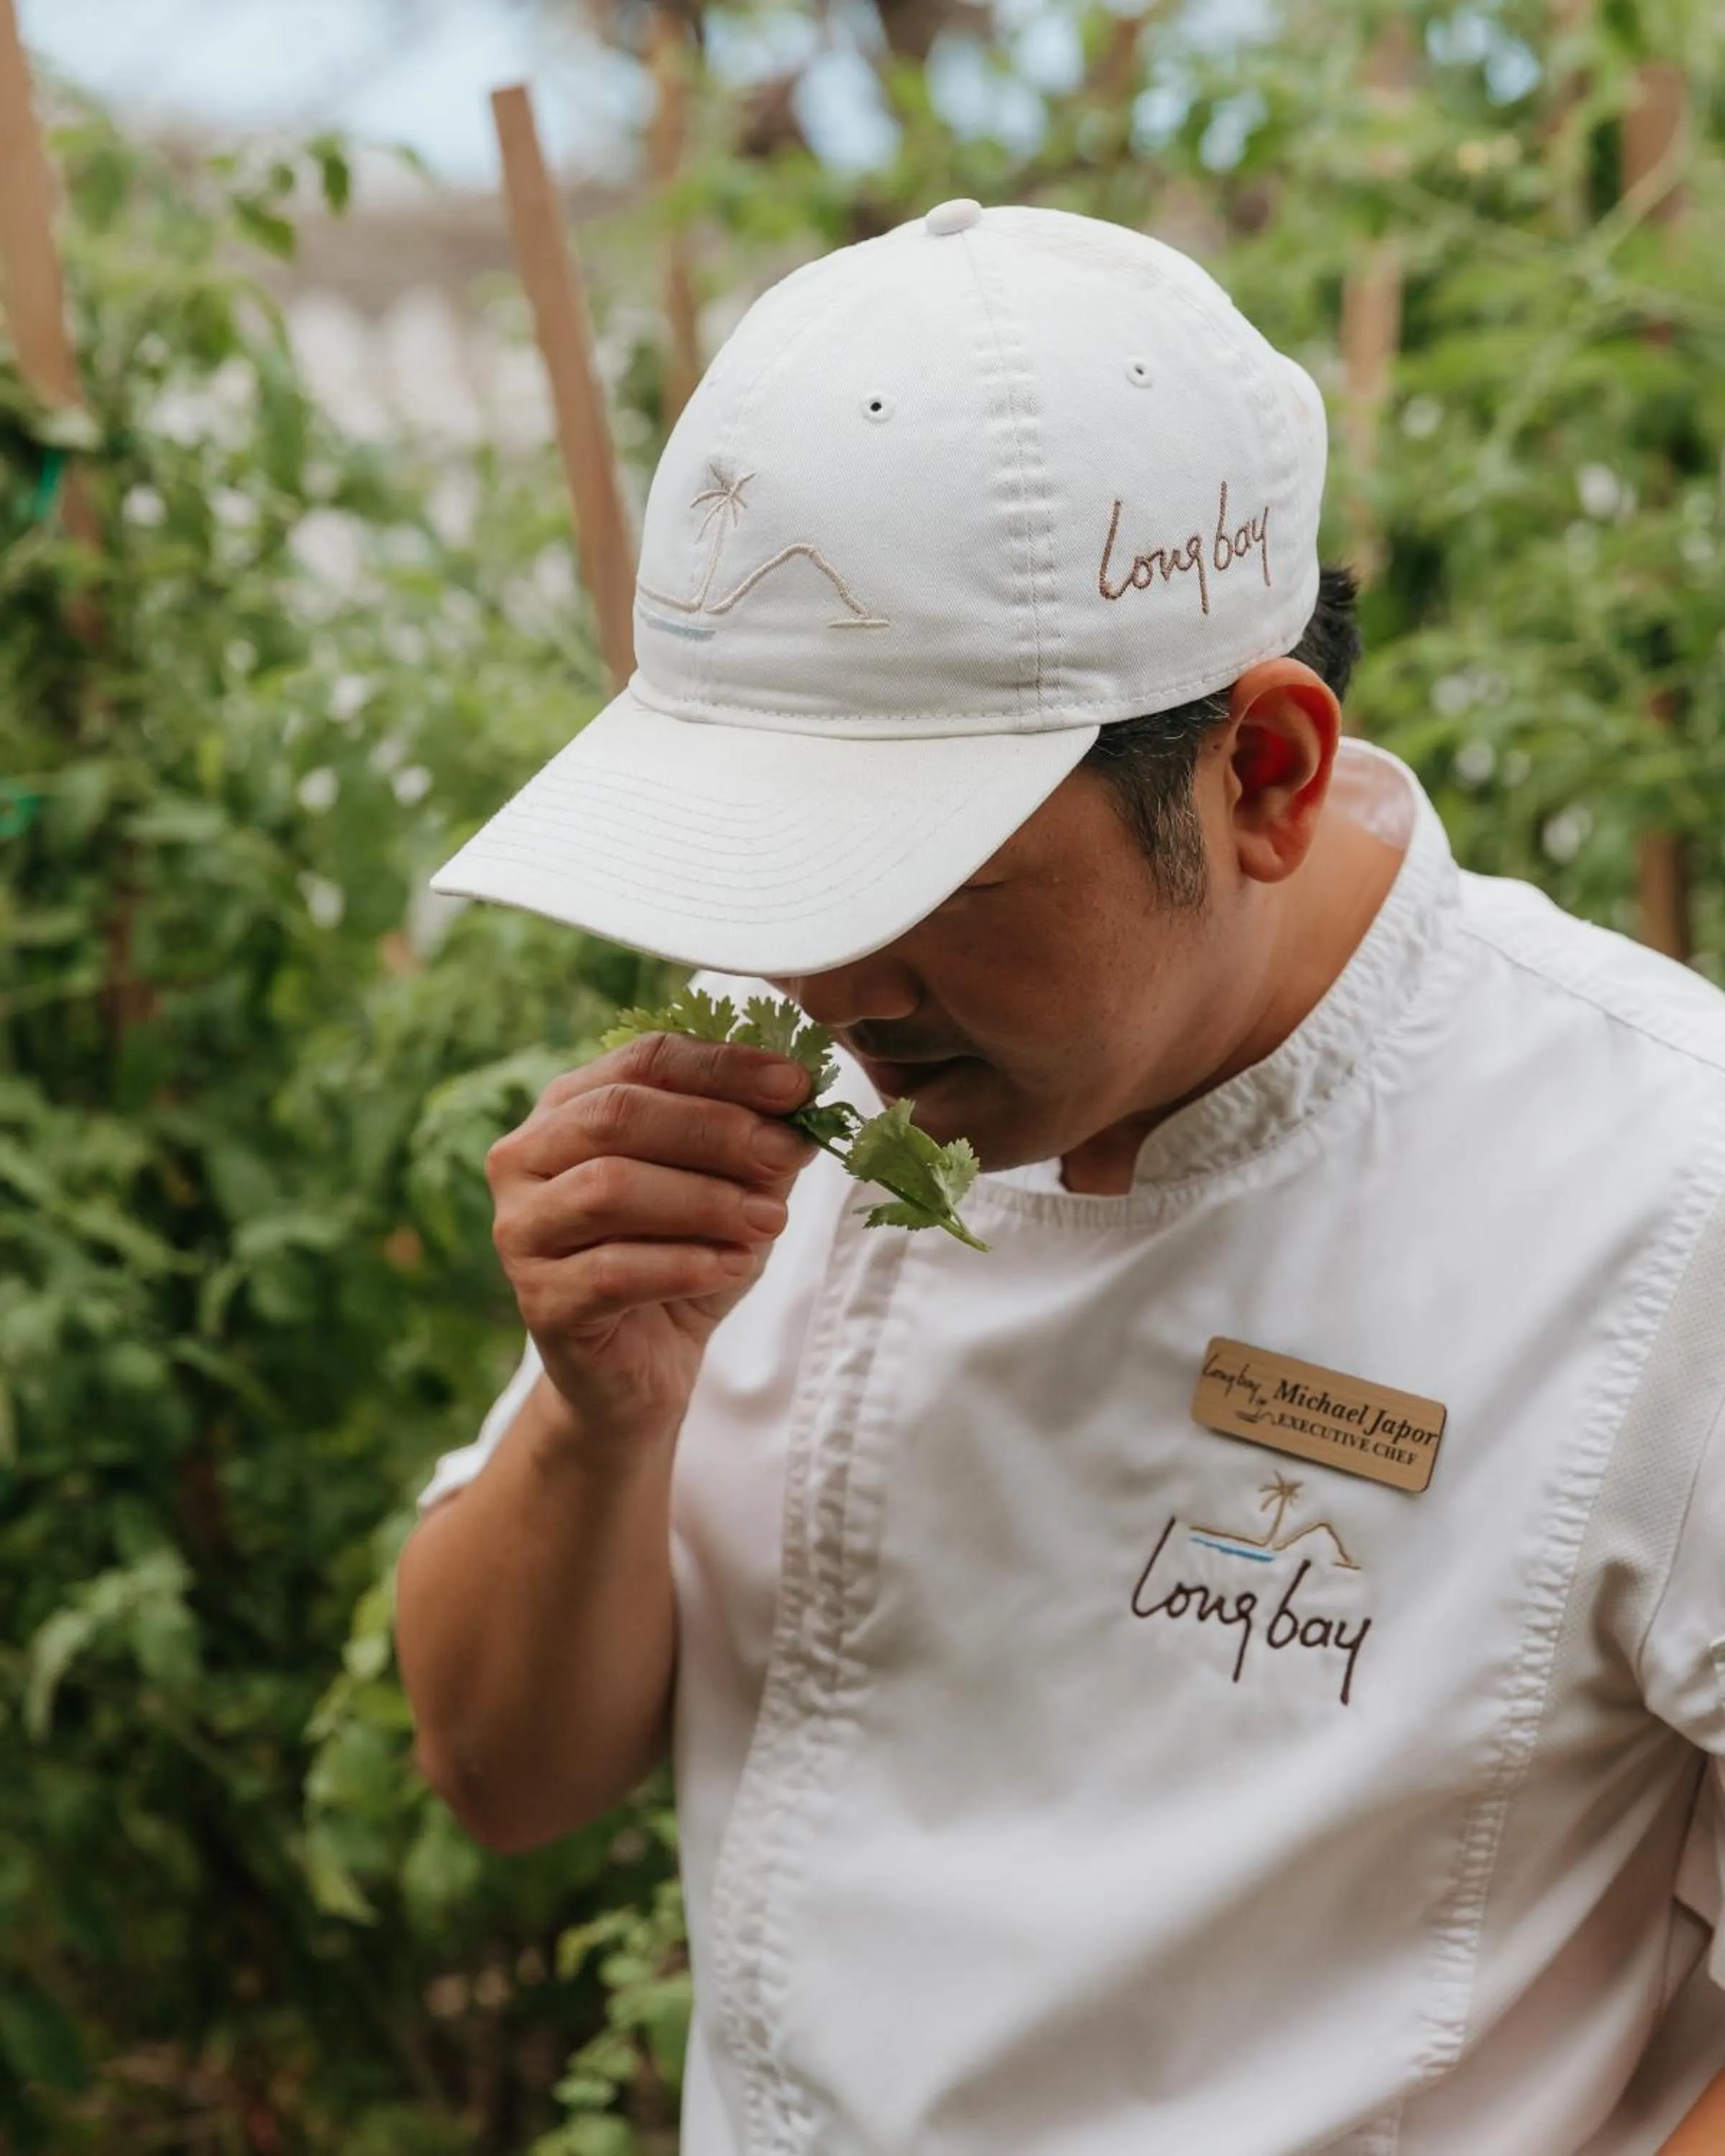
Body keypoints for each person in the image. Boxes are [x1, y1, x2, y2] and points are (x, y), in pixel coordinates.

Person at [393, 201, 1725, 2154]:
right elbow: (495, 1772)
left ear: (1263, 775)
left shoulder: (1661, 1189)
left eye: (934, 878)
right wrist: (604, 1420)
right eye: (785, 872)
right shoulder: (785, 1091)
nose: (838, 987)